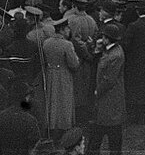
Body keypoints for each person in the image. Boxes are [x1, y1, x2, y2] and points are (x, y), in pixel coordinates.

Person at [89, 23, 127, 154]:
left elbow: (109, 79)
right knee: (109, 133)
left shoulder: (115, 55)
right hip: (108, 100)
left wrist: (97, 91)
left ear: (107, 38)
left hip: (109, 98)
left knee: (104, 133)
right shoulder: (112, 51)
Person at [43, 15, 82, 137]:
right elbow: (74, 64)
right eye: (67, 29)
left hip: (50, 74)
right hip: (64, 75)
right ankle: (64, 126)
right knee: (64, 101)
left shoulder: (46, 42)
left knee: (52, 101)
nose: (69, 31)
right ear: (62, 30)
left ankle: (52, 126)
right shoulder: (67, 44)